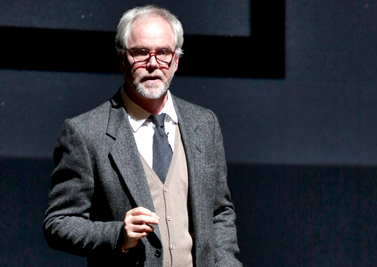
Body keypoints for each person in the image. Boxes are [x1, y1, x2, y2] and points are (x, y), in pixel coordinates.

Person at [43, 5, 241, 267]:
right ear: (121, 59)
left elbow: (219, 213)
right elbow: (58, 223)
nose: (152, 63)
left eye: (163, 53)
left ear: (176, 61)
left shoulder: (204, 124)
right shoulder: (85, 132)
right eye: (140, 52)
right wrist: (119, 235)